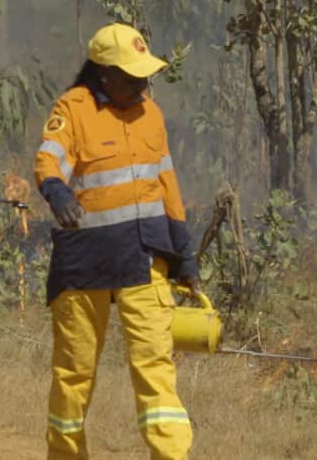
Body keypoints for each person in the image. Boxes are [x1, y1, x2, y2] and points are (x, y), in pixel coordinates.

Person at [34, 23, 200, 460]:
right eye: (132, 76)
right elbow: (48, 160)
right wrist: (57, 192)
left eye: (145, 75)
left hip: (144, 259)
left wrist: (185, 257)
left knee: (156, 367)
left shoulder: (152, 114)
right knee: (75, 371)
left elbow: (168, 185)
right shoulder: (73, 108)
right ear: (103, 73)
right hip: (84, 262)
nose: (143, 84)